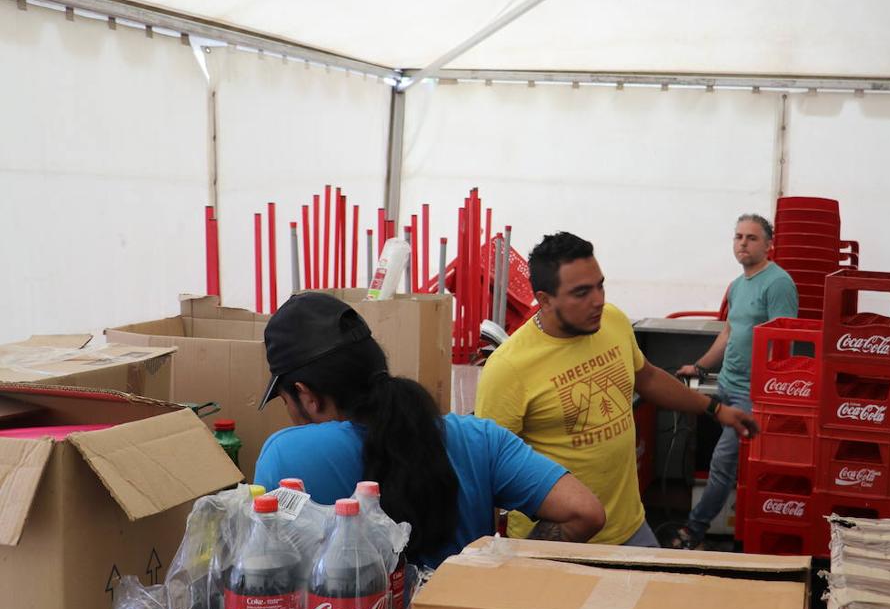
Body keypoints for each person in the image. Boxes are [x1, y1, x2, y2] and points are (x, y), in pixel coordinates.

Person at [253, 291, 606, 569]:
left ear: (306, 396)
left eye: (285, 401)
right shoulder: (481, 439)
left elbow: (268, 577)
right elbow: (585, 511)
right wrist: (504, 569)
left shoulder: (286, 455)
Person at [475, 232, 758, 548]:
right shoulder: (509, 367)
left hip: (631, 527)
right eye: (581, 292)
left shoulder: (612, 321)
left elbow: (647, 377)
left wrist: (715, 409)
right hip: (557, 542)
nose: (598, 300)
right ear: (544, 299)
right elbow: (488, 469)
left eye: (600, 285)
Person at [672, 213, 798, 548]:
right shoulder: (738, 285)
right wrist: (699, 368)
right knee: (722, 465)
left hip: (752, 394)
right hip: (728, 385)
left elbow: (784, 343)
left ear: (769, 245)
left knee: (721, 464)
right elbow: (729, 332)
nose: (743, 243)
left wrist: (767, 394)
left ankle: (693, 533)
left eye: (752, 238)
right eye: (738, 236)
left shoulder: (779, 283)